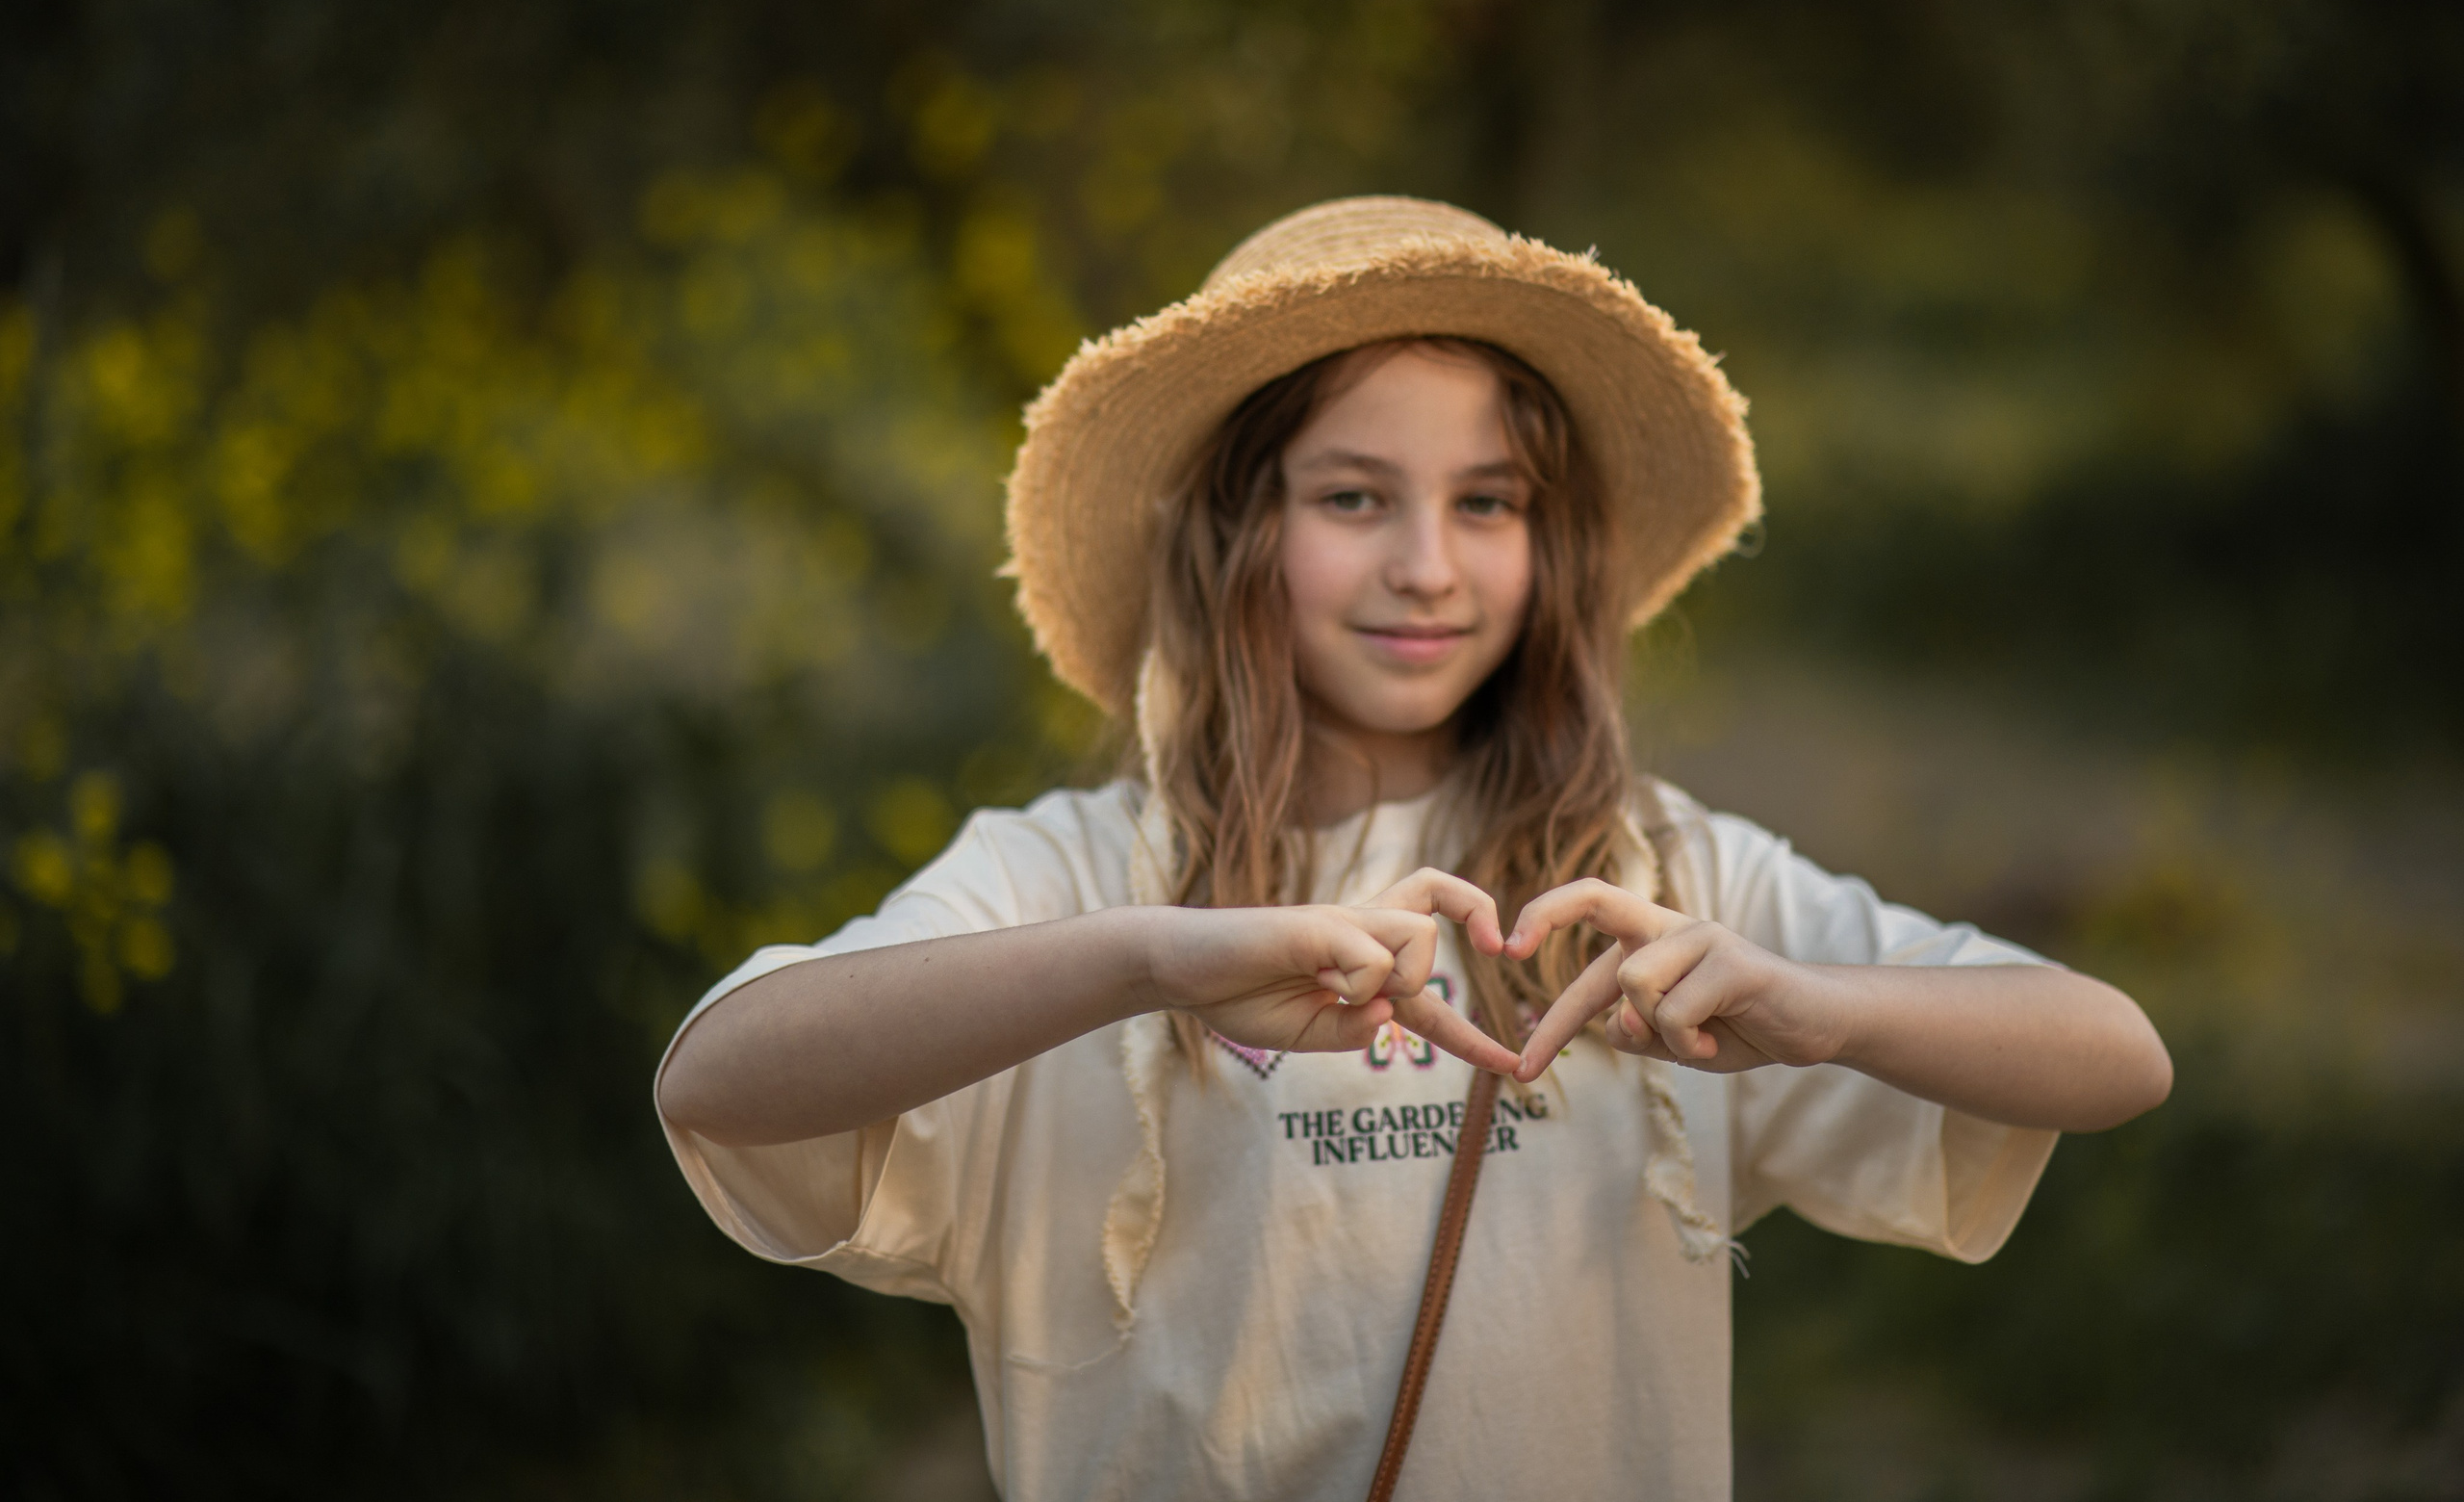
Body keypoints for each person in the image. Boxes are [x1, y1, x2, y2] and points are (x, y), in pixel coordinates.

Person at [654, 196, 2172, 1501]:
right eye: (1352, 497)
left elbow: (2114, 1054)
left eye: (1488, 502)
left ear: (1551, 542)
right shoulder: (1071, 880)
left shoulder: (1653, 877)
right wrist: (1149, 958)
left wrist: (1822, 1006)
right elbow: (719, 1081)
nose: (1428, 566)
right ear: (1237, 532)